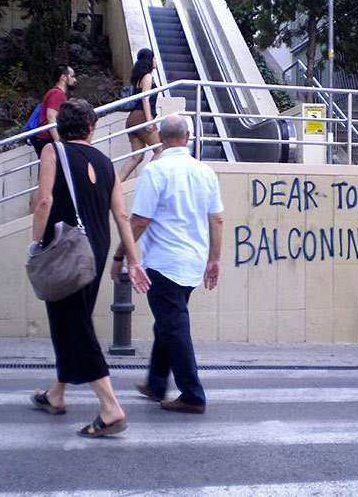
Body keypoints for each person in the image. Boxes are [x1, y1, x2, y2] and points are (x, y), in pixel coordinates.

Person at [29, 98, 151, 438]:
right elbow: (122, 216)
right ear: (92, 128)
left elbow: (43, 201)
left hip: (64, 249)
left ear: (61, 127)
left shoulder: (54, 152)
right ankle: (57, 393)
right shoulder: (107, 163)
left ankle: (110, 407)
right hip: (93, 252)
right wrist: (134, 260)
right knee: (72, 320)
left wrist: (34, 246)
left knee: (74, 324)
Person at [112, 115, 223, 414]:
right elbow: (217, 219)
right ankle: (156, 384)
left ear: (160, 137)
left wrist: (121, 255)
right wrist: (214, 258)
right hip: (192, 263)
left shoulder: (155, 171)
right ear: (188, 137)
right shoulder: (206, 172)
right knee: (169, 321)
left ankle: (192, 394)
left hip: (162, 263)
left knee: (174, 326)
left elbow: (138, 222)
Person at [119, 48, 162, 182]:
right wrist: (149, 121)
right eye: (153, 58)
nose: (155, 61)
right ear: (149, 60)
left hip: (132, 119)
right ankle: (145, 180)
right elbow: (145, 99)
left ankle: (116, 184)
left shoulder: (139, 78)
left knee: (137, 157)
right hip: (141, 118)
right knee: (161, 150)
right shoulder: (148, 77)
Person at [32, 65, 76, 159]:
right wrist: (58, 141)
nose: (75, 80)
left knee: (51, 170)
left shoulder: (55, 93)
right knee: (52, 170)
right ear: (63, 77)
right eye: (72, 76)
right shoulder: (57, 94)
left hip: (44, 139)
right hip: (46, 139)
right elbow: (51, 117)